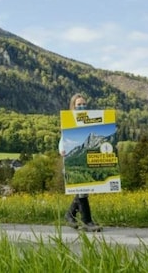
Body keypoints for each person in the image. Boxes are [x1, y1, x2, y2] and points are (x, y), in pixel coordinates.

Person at [61, 93, 102, 232]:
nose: (82, 106)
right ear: (73, 106)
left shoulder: (90, 121)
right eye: (79, 104)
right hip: (70, 162)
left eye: (84, 104)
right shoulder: (69, 121)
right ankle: (87, 222)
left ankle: (69, 215)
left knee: (82, 191)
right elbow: (63, 139)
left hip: (86, 161)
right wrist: (62, 150)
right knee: (82, 192)